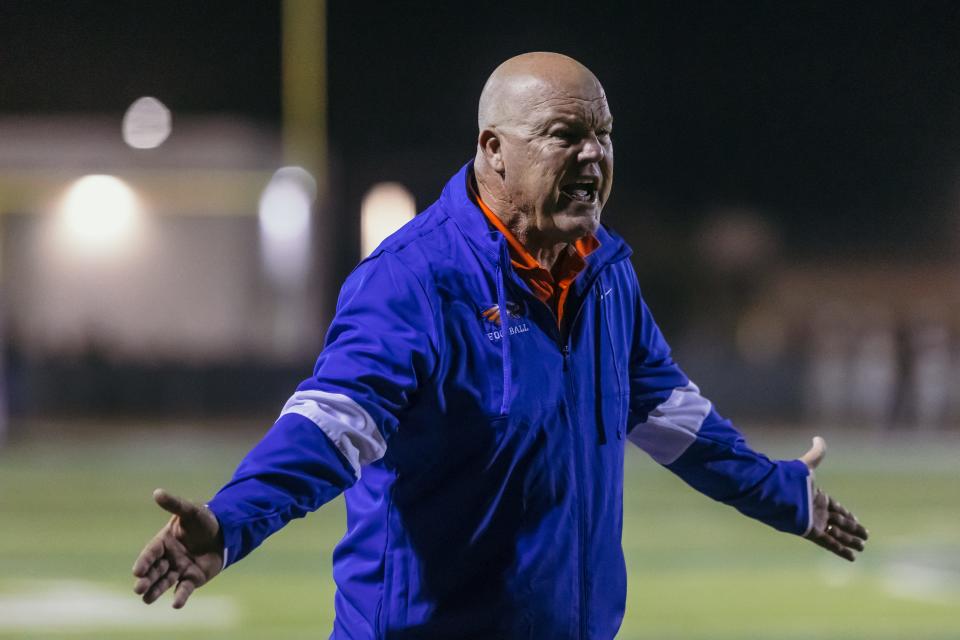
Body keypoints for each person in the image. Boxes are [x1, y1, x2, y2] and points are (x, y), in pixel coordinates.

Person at [132, 52, 868, 639]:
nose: (592, 157)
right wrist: (231, 521)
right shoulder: (415, 279)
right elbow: (332, 427)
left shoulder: (605, 273)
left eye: (603, 135)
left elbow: (672, 416)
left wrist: (781, 493)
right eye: (564, 135)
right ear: (494, 151)